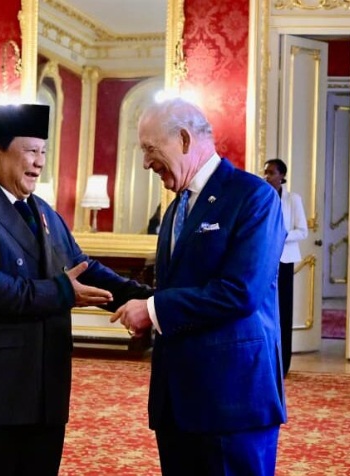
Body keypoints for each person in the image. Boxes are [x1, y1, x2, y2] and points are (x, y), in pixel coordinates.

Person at [0, 103, 152, 476]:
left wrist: (150, 299)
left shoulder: (42, 210)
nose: (40, 162)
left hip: (40, 394)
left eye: (44, 152)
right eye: (30, 151)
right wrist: (60, 293)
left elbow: (83, 268)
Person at [111, 98, 287, 476]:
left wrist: (154, 310)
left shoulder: (253, 197)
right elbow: (176, 287)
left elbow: (240, 291)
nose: (145, 164)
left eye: (150, 150)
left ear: (185, 139)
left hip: (232, 399)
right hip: (178, 400)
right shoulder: (175, 209)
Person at [263, 158, 308, 377]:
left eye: (271, 172)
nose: (267, 176)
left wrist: (281, 237)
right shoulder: (261, 196)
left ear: (282, 175)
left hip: (285, 261)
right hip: (265, 262)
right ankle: (268, 360)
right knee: (267, 311)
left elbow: (303, 230)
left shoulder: (292, 200)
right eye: (265, 172)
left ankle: (284, 362)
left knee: (284, 311)